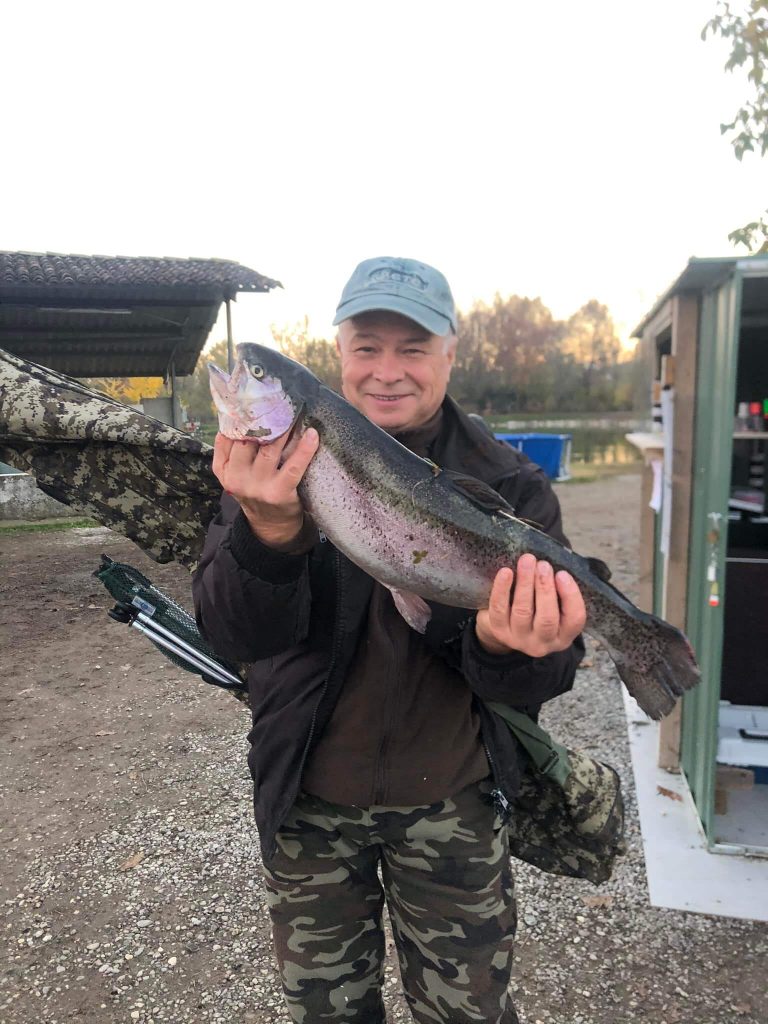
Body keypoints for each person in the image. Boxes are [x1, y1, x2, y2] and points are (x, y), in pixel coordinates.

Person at [192, 256, 587, 1024]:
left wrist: (505, 647)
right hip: (307, 798)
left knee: (468, 1012)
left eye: (413, 348)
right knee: (328, 1012)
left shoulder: (510, 489)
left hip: (455, 803)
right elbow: (230, 631)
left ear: (449, 355)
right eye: (367, 346)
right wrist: (269, 536)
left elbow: (548, 678)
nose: (387, 371)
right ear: (338, 351)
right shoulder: (264, 467)